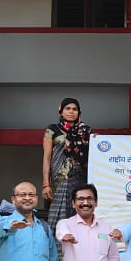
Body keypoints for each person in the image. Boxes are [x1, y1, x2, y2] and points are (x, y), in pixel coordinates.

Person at [43, 97, 91, 232]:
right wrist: (46, 184)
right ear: (61, 111)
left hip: (80, 178)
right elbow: (46, 158)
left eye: (74, 109)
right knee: (58, 217)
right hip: (60, 180)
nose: (71, 111)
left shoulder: (85, 131)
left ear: (79, 113)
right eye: (68, 108)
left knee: (80, 209)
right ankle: (58, 244)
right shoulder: (52, 130)